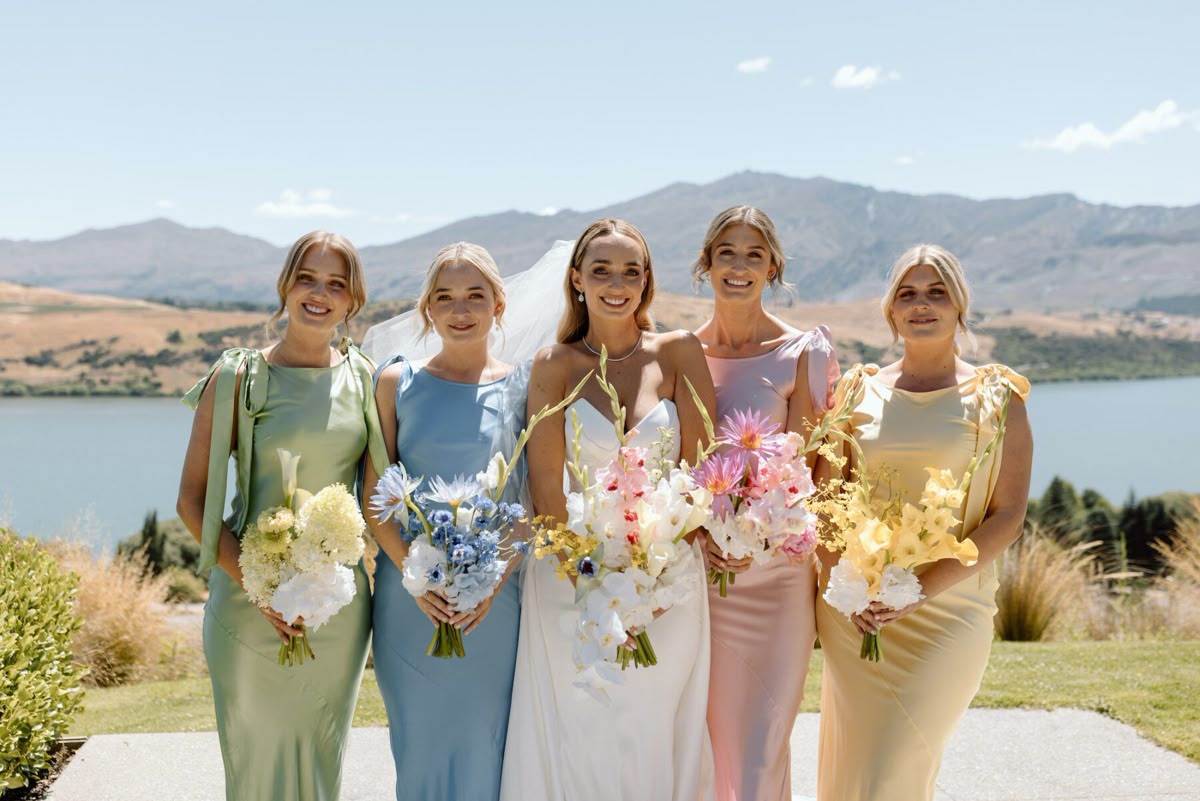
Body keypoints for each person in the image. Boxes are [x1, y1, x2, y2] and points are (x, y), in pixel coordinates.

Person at [501, 218, 719, 801]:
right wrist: (598, 587)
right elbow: (547, 488)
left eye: (631, 270)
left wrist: (648, 580)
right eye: (601, 270)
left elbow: (701, 475)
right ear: (577, 279)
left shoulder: (679, 352)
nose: (616, 283)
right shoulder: (555, 364)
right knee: (582, 731)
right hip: (572, 579)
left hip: (668, 578)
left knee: (653, 725)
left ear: (647, 280)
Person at [815, 244, 1033, 801]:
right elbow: (822, 501)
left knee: (895, 765)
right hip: (858, 612)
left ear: (959, 306)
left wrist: (919, 587)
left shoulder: (998, 397)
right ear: (890, 311)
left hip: (950, 610)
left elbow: (1007, 515)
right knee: (865, 771)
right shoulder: (856, 392)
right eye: (907, 294)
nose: (922, 305)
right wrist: (847, 589)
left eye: (936, 292)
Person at [177, 231, 388, 801]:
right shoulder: (238, 377)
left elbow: (378, 496)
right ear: (285, 287)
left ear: (352, 302)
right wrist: (259, 587)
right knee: (255, 766)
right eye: (307, 279)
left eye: (336, 285)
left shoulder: (365, 379)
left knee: (321, 764)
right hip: (248, 606)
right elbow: (192, 501)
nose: (319, 294)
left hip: (336, 614)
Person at [364, 242, 529, 800]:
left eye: (474, 296)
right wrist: (417, 576)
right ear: (427, 309)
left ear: (498, 305)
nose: (460, 310)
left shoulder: (525, 389)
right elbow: (375, 497)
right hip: (407, 599)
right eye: (445, 297)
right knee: (421, 747)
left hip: (495, 605)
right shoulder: (395, 383)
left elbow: (532, 507)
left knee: (487, 741)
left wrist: (492, 578)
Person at [691, 206, 840, 801]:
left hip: (777, 579)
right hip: (699, 579)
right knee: (703, 750)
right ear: (706, 264)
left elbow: (811, 473)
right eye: (726, 252)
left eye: (754, 255)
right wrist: (704, 535)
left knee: (758, 757)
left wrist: (761, 537)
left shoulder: (803, 352)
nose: (739, 266)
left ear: (773, 266)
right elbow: (672, 467)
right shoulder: (679, 353)